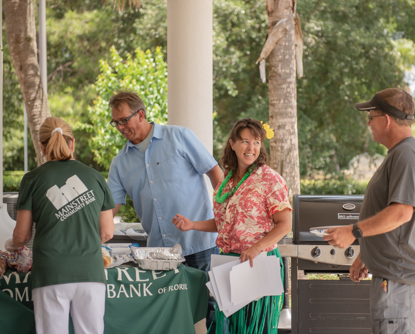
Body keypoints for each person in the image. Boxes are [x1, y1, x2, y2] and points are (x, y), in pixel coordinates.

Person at [107, 91, 223, 328]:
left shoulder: (179, 136)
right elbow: (110, 208)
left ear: (141, 115)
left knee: (214, 310)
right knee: (167, 314)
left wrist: (224, 216)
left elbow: (215, 174)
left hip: (201, 244)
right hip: (160, 254)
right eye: (115, 122)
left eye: (123, 120)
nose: (119, 127)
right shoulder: (120, 162)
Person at [324, 88, 415, 333]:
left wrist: (354, 231)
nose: (368, 123)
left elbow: (401, 213)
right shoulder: (400, 153)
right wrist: (368, 253)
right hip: (393, 274)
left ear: (386, 120)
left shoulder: (406, 154)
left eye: (371, 117)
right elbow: (390, 215)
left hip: (398, 280)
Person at [173, 118, 292, 334]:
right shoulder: (226, 181)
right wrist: (193, 225)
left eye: (256, 142)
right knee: (227, 328)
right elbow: (224, 224)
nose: (251, 148)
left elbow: (284, 225)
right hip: (228, 263)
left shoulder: (269, 179)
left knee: (255, 328)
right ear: (232, 144)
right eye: (245, 141)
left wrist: (256, 248)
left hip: (258, 263)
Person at [8, 117, 115, 334]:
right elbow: (107, 232)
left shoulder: (32, 179)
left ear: (42, 146)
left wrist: (10, 245)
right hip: (90, 273)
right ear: (72, 143)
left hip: (51, 273)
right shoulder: (95, 177)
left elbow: (21, 236)